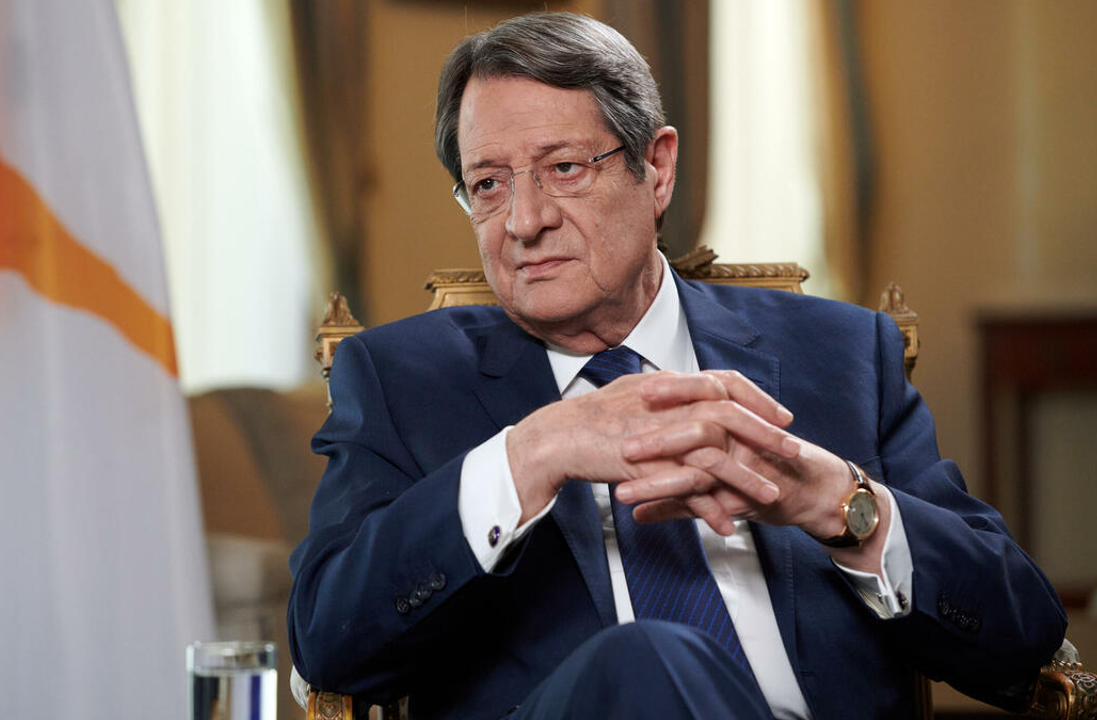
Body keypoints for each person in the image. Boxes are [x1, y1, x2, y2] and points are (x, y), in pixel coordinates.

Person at [287, 12, 1065, 720]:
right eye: (488, 184)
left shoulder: (841, 355)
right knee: (646, 662)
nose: (524, 221)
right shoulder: (400, 380)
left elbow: (1023, 636)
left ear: (656, 168)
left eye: (564, 168)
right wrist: (531, 453)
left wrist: (838, 504)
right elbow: (329, 643)